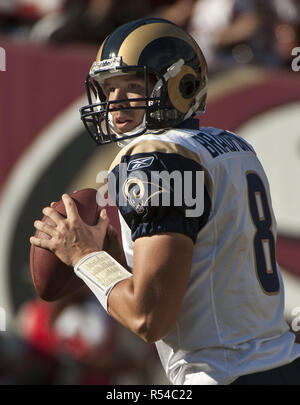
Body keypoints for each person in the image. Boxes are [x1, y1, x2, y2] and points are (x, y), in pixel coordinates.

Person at [30, 17, 300, 385]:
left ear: (181, 86)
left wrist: (83, 257)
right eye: (109, 89)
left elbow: (149, 317)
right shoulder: (233, 146)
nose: (116, 101)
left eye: (132, 85)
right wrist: (119, 260)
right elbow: (205, 268)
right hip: (282, 364)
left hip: (224, 375)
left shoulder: (154, 157)